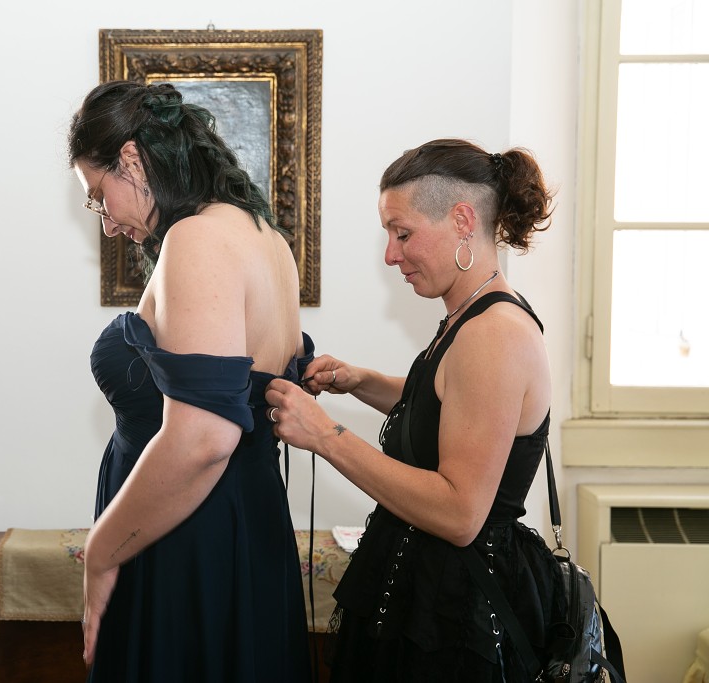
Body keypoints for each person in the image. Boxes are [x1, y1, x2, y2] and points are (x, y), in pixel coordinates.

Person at [265, 138, 564, 681]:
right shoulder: (469, 315)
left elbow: (458, 514)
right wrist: (362, 381)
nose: (390, 255)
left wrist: (327, 436)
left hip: (457, 619)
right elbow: (451, 405)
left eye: (402, 234)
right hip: (425, 591)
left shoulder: (495, 334)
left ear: (462, 220)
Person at [68, 80, 314, 682]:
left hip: (188, 541)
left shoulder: (197, 238)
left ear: (130, 160)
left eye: (98, 197)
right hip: (234, 527)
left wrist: (102, 551)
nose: (106, 224)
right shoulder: (266, 237)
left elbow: (204, 439)